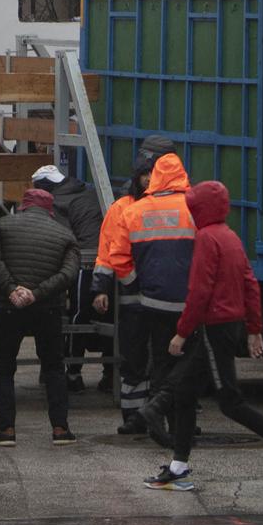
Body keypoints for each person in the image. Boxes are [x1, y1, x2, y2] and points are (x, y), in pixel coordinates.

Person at [141, 180, 263, 494]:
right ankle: (178, 467)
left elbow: (199, 292)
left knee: (230, 402)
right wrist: (253, 328)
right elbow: (250, 283)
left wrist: (182, 333)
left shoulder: (207, 238)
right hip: (229, 324)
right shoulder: (231, 237)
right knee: (185, 393)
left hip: (214, 326)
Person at [96, 143, 195, 435]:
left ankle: (160, 414)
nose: (149, 180)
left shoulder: (135, 210)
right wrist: (106, 287)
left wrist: (136, 285)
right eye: (145, 175)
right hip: (143, 300)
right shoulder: (124, 208)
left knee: (162, 360)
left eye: (154, 174)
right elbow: (108, 253)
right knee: (138, 359)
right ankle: (137, 417)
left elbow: (115, 256)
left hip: (146, 297)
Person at [0, 187, 81, 446]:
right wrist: (37, 294)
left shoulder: (0, 226)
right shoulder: (65, 234)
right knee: (53, 367)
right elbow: (69, 273)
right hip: (47, 308)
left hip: (8, 306)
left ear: (23, 205)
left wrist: (12, 289)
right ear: (50, 210)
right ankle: (60, 429)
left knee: (3, 367)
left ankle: (6, 430)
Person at [32, 164, 103, 391]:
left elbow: (57, 240)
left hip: (83, 262)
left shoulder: (55, 203)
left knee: (72, 316)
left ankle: (70, 372)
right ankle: (106, 372)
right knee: (97, 316)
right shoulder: (84, 191)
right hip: (105, 260)